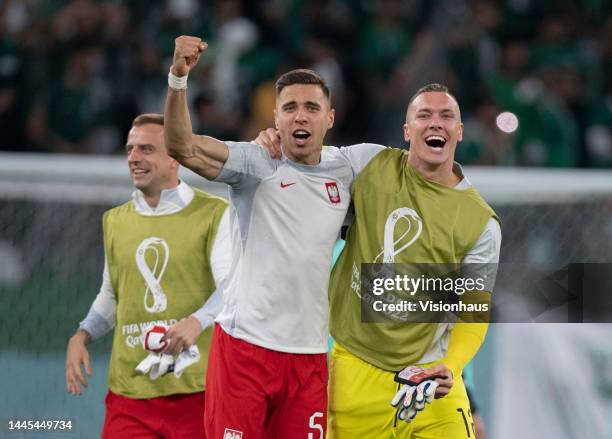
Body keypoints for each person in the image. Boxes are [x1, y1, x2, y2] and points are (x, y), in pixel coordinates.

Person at [256, 83, 501, 438]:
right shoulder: (368, 165)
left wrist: (449, 366)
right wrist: (278, 143)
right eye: (424, 115)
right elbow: (306, 158)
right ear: (406, 130)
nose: (436, 123)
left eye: (446, 116)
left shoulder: (481, 222)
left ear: (459, 131)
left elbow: (474, 310)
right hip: (355, 375)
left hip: (429, 381)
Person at [164, 35, 364, 439]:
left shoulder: (347, 171)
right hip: (244, 351)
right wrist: (178, 79)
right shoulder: (256, 162)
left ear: (330, 118)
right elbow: (182, 147)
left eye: (312, 108)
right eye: (290, 108)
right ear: (275, 117)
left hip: (308, 359)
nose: (300, 116)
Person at [65, 113, 231, 439]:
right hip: (130, 395)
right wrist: (82, 334)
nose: (133, 158)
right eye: (129, 149)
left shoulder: (215, 213)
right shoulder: (114, 221)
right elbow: (112, 294)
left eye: (146, 149)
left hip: (198, 393)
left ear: (175, 158)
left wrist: (196, 321)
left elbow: (231, 289)